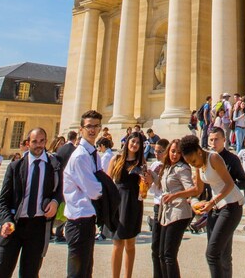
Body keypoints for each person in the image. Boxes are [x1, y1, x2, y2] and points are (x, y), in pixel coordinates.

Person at [0, 128, 64, 278]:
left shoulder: (54, 166)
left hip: (38, 225)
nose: (39, 145)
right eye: (35, 141)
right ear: (28, 143)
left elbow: (60, 190)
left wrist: (55, 201)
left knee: (30, 273)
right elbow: (3, 200)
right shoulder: (15, 167)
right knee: (0, 271)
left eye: (42, 141)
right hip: (14, 224)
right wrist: (5, 221)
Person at [181, 134, 244, 278]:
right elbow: (198, 190)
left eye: (193, 160)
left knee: (212, 254)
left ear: (199, 151)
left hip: (231, 205)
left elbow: (230, 184)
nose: (193, 164)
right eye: (190, 163)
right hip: (217, 207)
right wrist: (190, 200)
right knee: (223, 254)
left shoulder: (213, 158)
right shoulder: (199, 164)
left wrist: (211, 202)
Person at [64, 110, 104, 278]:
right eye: (89, 126)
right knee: (78, 273)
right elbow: (94, 191)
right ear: (81, 129)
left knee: (85, 270)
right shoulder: (81, 156)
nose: (92, 130)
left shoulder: (91, 154)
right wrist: (108, 190)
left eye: (96, 126)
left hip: (87, 220)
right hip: (78, 221)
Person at [151, 139, 196, 278]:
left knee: (169, 255)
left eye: (178, 152)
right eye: (172, 151)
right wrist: (150, 175)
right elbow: (161, 185)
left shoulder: (183, 168)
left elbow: (192, 189)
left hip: (179, 213)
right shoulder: (167, 167)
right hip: (167, 213)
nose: (174, 154)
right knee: (161, 254)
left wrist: (175, 195)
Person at [109, 132, 149, 278]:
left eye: (138, 143)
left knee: (130, 243)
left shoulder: (141, 164)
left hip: (133, 203)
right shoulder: (116, 159)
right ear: (127, 142)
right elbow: (108, 182)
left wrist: (146, 181)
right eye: (133, 142)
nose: (135, 145)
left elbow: (146, 187)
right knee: (117, 243)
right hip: (119, 202)